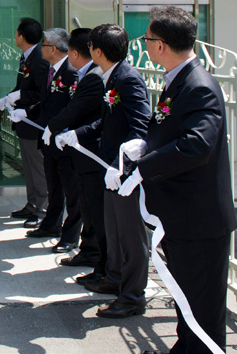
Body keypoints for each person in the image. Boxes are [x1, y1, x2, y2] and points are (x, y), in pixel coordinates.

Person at [119, 6, 236, 353]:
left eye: (148, 38)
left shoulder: (198, 85)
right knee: (187, 303)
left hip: (199, 221)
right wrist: (147, 145)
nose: (146, 45)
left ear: (161, 45)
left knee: (202, 309)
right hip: (182, 217)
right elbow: (174, 132)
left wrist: (144, 167)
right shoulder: (179, 79)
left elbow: (196, 145)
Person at [57, 23, 151, 319]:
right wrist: (78, 134)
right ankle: (113, 278)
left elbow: (140, 126)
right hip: (109, 167)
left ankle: (133, 296)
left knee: (131, 238)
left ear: (97, 52)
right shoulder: (111, 77)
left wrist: (126, 166)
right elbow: (104, 122)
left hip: (124, 173)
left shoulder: (127, 80)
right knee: (112, 229)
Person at [47, 28, 105, 273]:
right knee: (84, 202)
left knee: (88, 205)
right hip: (79, 149)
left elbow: (77, 108)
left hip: (91, 151)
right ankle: (89, 251)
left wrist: (52, 127)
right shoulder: (84, 73)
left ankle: (97, 257)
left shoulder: (93, 75)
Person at [25, 28, 81, 252]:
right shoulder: (51, 69)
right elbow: (46, 102)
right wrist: (27, 112)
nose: (41, 48)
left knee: (71, 191)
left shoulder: (70, 72)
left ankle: (70, 236)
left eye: (45, 44)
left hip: (63, 141)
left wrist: (58, 128)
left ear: (54, 49)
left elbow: (72, 107)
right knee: (53, 186)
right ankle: (51, 224)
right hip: (48, 138)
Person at [0, 17, 50, 226]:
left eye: (16, 33)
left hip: (34, 120)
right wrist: (9, 97)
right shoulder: (26, 57)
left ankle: (42, 209)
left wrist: (18, 97)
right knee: (28, 167)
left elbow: (40, 93)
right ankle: (31, 205)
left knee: (38, 168)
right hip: (24, 122)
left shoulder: (39, 58)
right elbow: (22, 85)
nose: (14, 37)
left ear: (22, 36)